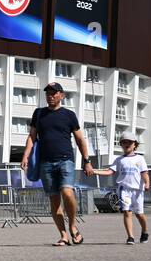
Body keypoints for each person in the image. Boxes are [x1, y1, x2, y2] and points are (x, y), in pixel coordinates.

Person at [21, 82, 95, 246]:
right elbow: (32, 136)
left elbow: (80, 139)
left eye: (54, 93)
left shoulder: (69, 115)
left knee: (67, 193)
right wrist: (25, 155)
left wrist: (87, 161)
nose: (51, 96)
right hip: (45, 163)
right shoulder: (39, 114)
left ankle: (73, 226)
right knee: (54, 201)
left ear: (62, 95)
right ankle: (64, 235)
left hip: (65, 160)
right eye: (48, 93)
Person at [91, 133, 151, 245]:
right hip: (124, 189)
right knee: (127, 212)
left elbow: (144, 173)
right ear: (121, 145)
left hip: (137, 190)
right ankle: (130, 237)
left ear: (135, 145)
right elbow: (109, 171)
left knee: (139, 214)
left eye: (129, 142)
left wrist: (147, 183)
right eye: (124, 142)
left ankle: (145, 231)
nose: (126, 144)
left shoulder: (140, 158)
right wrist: (94, 171)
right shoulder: (119, 159)